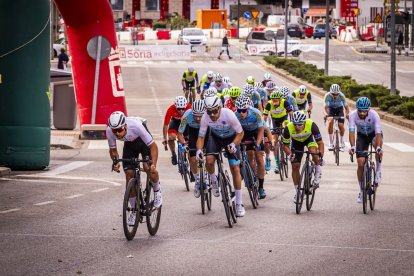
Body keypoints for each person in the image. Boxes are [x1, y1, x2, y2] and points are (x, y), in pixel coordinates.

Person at [107, 111, 162, 225]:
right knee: (129, 174)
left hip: (143, 142)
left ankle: (157, 191)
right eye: (114, 130)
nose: (117, 133)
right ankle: (134, 210)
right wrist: (115, 161)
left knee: (148, 167)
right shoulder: (110, 131)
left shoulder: (136, 126)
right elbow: (113, 150)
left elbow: (153, 146)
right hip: (129, 145)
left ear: (125, 126)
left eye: (119, 130)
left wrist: (153, 165)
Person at [196, 96, 246, 217]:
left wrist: (234, 144)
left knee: (235, 169)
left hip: (231, 139)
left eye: (214, 111)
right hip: (216, 139)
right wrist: (198, 150)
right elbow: (201, 137)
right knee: (209, 160)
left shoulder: (228, 114)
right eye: (209, 111)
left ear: (219, 107)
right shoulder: (205, 117)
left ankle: (239, 203)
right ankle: (213, 181)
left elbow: (240, 133)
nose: (212, 114)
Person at [282, 111, 324, 202]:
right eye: (295, 124)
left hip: (309, 140)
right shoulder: (288, 128)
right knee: (295, 166)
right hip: (296, 143)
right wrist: (290, 155)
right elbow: (285, 146)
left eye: (300, 124)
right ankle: (298, 193)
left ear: (304, 122)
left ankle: (317, 170)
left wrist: (320, 155)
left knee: (313, 152)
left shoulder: (312, 125)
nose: (297, 127)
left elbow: (320, 142)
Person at [348, 97, 383, 203]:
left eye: (364, 111)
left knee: (378, 149)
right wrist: (353, 146)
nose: (362, 113)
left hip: (373, 135)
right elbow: (351, 132)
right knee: (360, 163)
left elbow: (378, 133)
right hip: (361, 136)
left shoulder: (374, 115)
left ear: (369, 109)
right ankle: (362, 189)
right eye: (360, 110)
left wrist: (378, 147)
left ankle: (378, 171)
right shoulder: (352, 115)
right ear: (357, 109)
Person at [234, 95, 266, 199]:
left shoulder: (255, 112)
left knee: (260, 158)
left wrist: (257, 143)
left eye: (243, 110)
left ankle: (261, 187)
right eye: (239, 110)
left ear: (248, 109)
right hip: (244, 133)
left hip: (256, 132)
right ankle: (251, 176)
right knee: (249, 155)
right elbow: (234, 132)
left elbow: (261, 130)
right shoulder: (235, 115)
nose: (241, 113)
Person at [177, 100, 208, 198]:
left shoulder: (208, 114)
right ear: (191, 112)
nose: (198, 118)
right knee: (192, 158)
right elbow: (180, 133)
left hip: (206, 131)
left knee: (209, 155)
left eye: (200, 116)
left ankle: (206, 174)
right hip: (193, 132)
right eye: (195, 115)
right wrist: (183, 144)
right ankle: (197, 180)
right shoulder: (187, 115)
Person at [263, 91, 293, 174]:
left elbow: (291, 114)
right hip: (275, 121)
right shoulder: (269, 104)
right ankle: (277, 164)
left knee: (285, 131)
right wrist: (264, 128)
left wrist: (292, 124)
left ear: (280, 99)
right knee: (275, 141)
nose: (274, 102)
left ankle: (287, 144)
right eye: (273, 100)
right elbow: (264, 117)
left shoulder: (285, 102)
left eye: (276, 100)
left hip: (284, 119)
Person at [163, 96, 191, 165]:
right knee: (171, 137)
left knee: (188, 139)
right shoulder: (171, 109)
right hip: (175, 122)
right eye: (178, 109)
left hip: (186, 123)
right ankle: (173, 154)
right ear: (175, 106)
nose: (181, 111)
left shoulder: (190, 107)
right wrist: (165, 138)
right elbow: (166, 125)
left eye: (183, 109)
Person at [323, 83, 349, 151]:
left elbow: (346, 107)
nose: (335, 96)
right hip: (330, 109)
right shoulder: (327, 96)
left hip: (339, 109)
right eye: (333, 94)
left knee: (341, 125)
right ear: (331, 93)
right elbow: (325, 108)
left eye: (336, 94)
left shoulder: (342, 96)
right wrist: (325, 114)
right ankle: (330, 142)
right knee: (330, 122)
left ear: (339, 92)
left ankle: (341, 142)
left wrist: (347, 114)